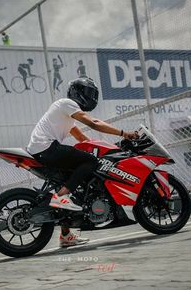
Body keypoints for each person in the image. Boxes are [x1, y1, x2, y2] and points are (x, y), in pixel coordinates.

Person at [27, 77, 137, 247]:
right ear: (76, 92)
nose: (90, 96)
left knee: (70, 179)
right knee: (91, 163)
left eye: (92, 93)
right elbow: (93, 123)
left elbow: (81, 138)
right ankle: (60, 197)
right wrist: (123, 133)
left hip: (43, 149)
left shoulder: (66, 114)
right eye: (87, 93)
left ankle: (65, 235)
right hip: (46, 147)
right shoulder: (66, 103)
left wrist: (105, 148)